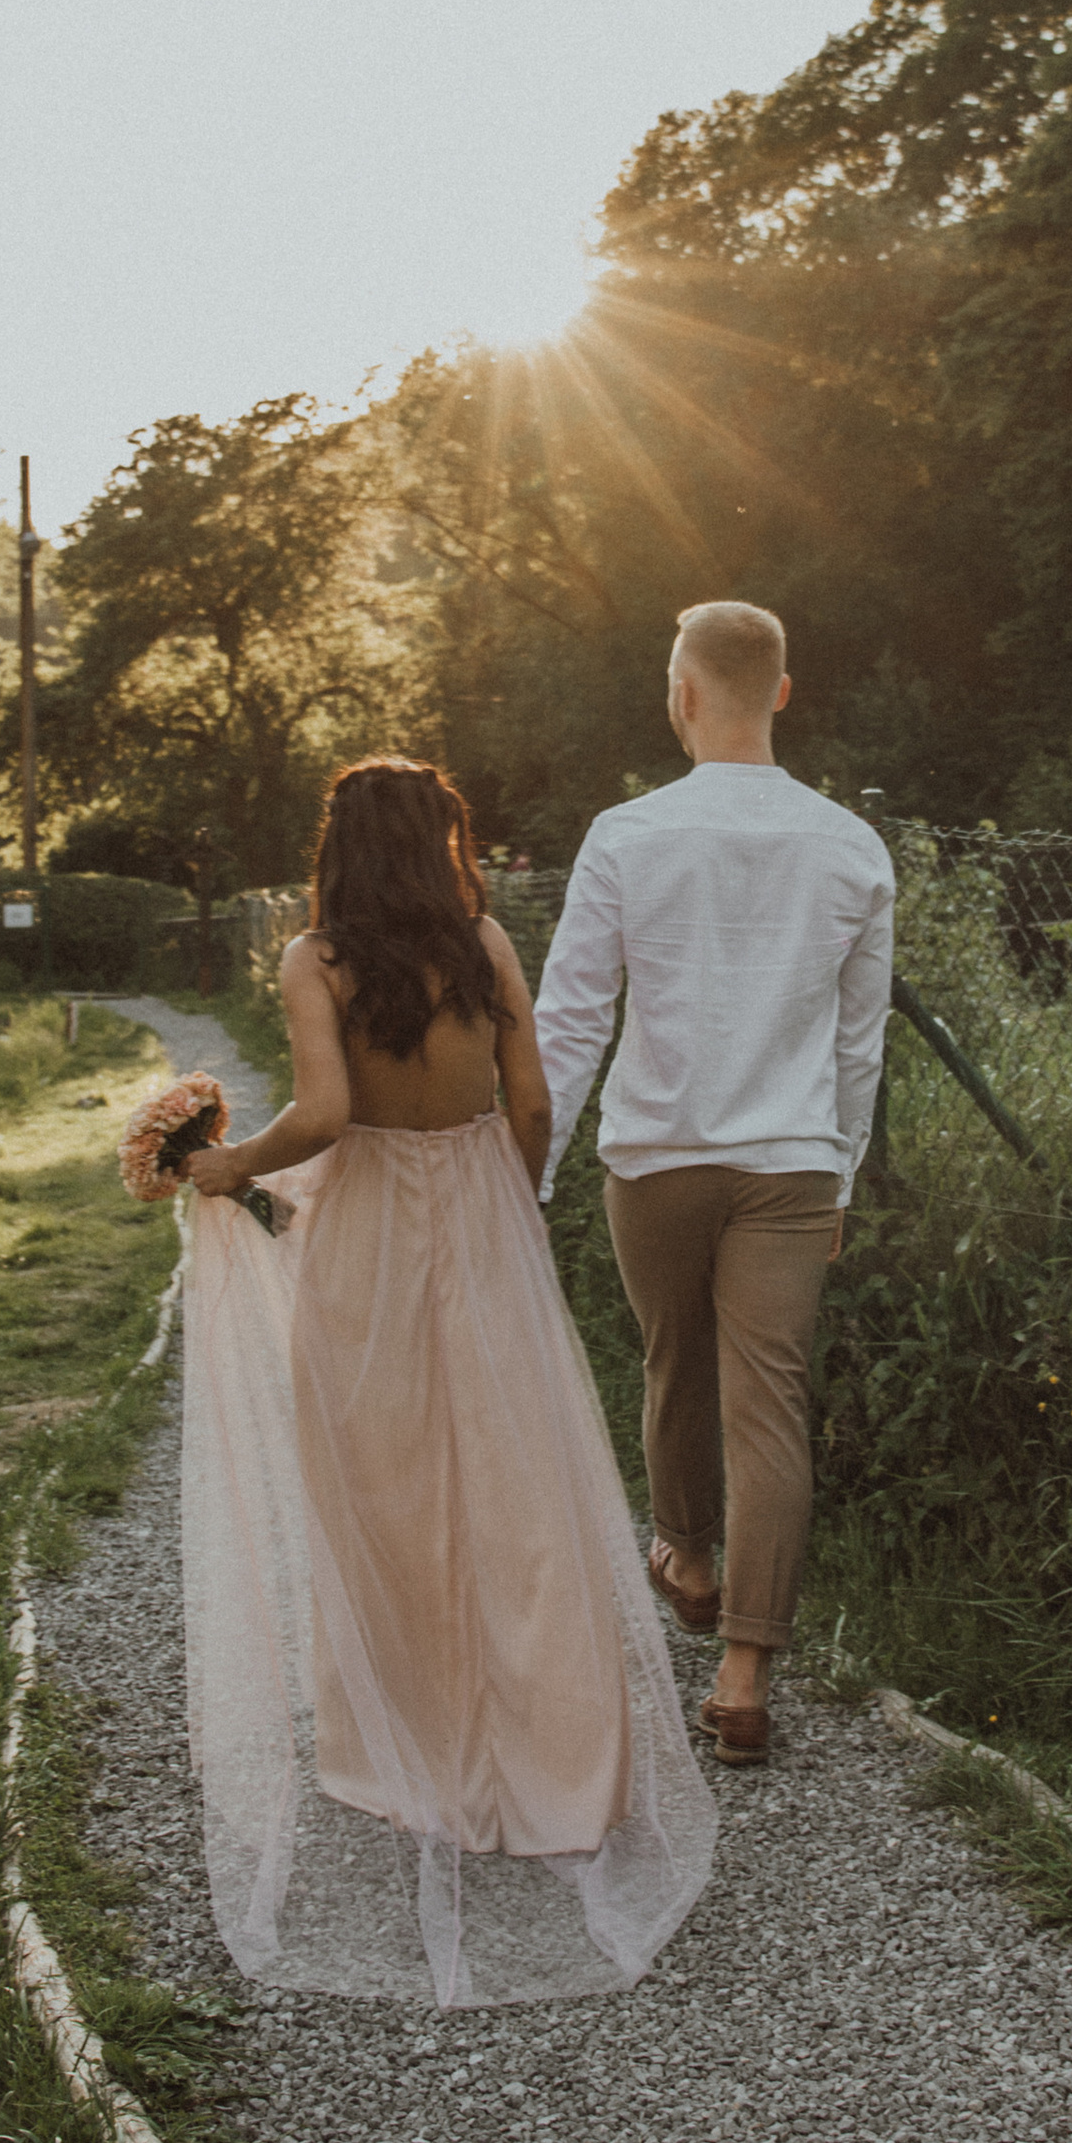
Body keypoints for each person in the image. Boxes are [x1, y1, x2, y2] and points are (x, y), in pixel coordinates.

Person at [176, 756, 715, 2007]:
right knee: (520, 1493)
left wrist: (229, 1167)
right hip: (480, 1219)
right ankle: (548, 1754)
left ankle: (418, 1754)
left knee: (383, 1488)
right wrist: (506, 1208)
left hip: (363, 1231)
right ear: (445, 842)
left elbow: (319, 1115)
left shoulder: (318, 959)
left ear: (339, 848)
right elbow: (529, 1100)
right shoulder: (480, 943)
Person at [532, 603, 894, 1767]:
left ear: (680, 694)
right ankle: (746, 1670)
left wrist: (525, 1178)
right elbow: (858, 1041)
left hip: (657, 1158)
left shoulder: (626, 836)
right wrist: (837, 1173)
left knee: (671, 1358)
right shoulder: (850, 847)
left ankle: (685, 1556)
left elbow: (572, 1023)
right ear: (780, 694)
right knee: (769, 1401)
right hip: (789, 1164)